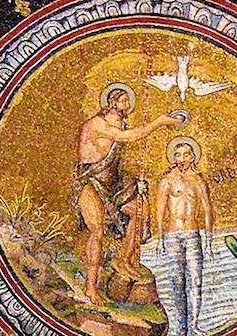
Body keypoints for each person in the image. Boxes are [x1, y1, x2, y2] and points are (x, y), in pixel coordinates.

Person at [74, 83, 180, 305]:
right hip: (91, 180)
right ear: (112, 103)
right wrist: (159, 122)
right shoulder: (98, 124)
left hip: (114, 182)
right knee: (98, 231)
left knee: (141, 211)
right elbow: (127, 137)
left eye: (128, 101)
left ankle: (125, 260)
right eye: (123, 101)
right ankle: (90, 288)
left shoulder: (121, 122)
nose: (127, 104)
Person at [156, 137, 213, 336]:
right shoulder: (167, 180)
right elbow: (160, 211)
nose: (181, 159)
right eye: (178, 155)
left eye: (186, 155)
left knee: (196, 280)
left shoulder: (198, 180)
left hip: (192, 235)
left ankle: (194, 326)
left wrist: (208, 241)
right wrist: (161, 239)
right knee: (176, 282)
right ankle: (179, 328)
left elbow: (207, 210)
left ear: (193, 157)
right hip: (172, 235)